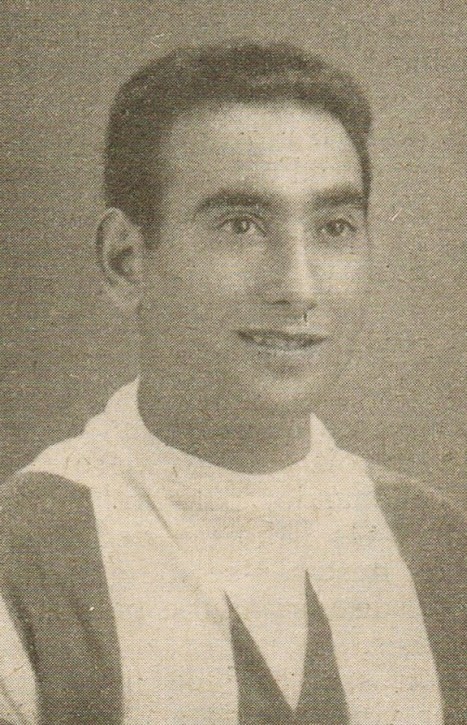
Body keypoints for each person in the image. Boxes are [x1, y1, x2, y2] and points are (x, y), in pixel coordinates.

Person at [0, 42, 465, 725]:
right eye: (241, 225)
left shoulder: (438, 550)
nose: (298, 286)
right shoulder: (25, 558)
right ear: (126, 260)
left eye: (334, 227)